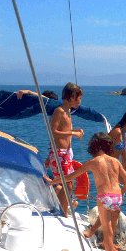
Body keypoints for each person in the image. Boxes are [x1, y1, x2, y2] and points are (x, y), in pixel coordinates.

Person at [49, 132, 126, 251]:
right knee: (111, 230)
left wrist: (53, 181)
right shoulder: (115, 161)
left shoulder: (94, 162)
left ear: (94, 146)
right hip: (117, 196)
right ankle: (104, 247)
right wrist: (121, 192)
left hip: (104, 197)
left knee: (107, 232)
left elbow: (71, 176)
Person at [80, 108, 126, 239]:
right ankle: (105, 239)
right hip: (108, 174)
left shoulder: (124, 136)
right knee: (112, 209)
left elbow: (124, 161)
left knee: (112, 209)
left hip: (115, 172)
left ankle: (101, 236)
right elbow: (104, 152)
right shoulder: (116, 133)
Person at [45, 82, 85, 216]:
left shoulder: (68, 112)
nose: (80, 101)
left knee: (68, 183)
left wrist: (74, 130)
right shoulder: (59, 111)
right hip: (59, 153)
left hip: (66, 153)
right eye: (79, 98)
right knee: (67, 183)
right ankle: (63, 212)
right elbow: (53, 131)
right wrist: (73, 133)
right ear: (72, 96)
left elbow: (64, 129)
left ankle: (63, 209)